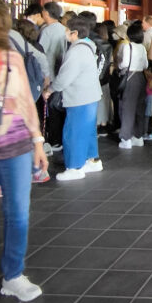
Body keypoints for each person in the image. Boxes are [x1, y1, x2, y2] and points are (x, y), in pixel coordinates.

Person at [0, 0, 49, 300]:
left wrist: (38, 141)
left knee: (18, 212)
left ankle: (13, 275)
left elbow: (27, 101)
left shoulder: (11, 57)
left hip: (15, 143)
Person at [44, 15, 103, 181]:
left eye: (67, 30)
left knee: (73, 132)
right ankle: (92, 160)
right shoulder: (89, 45)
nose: (65, 33)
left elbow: (64, 77)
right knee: (88, 130)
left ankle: (75, 167)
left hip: (79, 97)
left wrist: (51, 89)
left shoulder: (76, 51)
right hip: (91, 95)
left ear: (74, 33)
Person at [38, 1, 67, 151]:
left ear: (47, 13)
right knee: (60, 106)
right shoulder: (64, 29)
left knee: (51, 108)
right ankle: (61, 138)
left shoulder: (47, 31)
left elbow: (40, 53)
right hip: (63, 75)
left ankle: (54, 140)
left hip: (50, 75)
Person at [117, 19, 148, 150]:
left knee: (127, 108)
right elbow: (146, 64)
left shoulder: (127, 46)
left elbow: (124, 64)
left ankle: (126, 138)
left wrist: (118, 65)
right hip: (141, 77)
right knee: (139, 108)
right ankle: (138, 137)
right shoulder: (142, 47)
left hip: (130, 76)